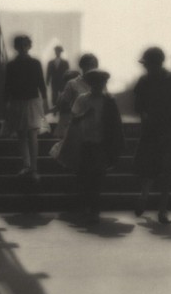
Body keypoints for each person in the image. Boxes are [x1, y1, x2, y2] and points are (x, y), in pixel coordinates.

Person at [53, 69, 124, 222]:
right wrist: (85, 114)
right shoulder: (83, 99)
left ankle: (93, 208)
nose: (100, 86)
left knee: (97, 177)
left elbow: (115, 125)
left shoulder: (109, 101)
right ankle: (87, 206)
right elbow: (74, 119)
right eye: (97, 84)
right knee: (85, 176)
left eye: (102, 83)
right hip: (85, 142)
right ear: (90, 84)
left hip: (100, 143)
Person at [133, 47, 171, 224]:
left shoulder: (148, 81)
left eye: (147, 64)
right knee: (156, 171)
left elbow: (139, 108)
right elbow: (140, 107)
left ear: (155, 63)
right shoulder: (170, 80)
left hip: (162, 131)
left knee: (160, 171)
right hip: (159, 131)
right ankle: (150, 202)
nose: (146, 67)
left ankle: (157, 207)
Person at [2, 35, 48, 182]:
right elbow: (7, 86)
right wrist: (5, 104)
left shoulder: (35, 63)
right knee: (22, 135)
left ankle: (34, 168)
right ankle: (27, 165)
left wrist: (45, 102)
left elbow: (41, 83)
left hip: (31, 102)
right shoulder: (11, 65)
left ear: (29, 46)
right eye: (20, 45)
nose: (22, 48)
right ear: (16, 47)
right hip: (17, 102)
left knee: (32, 135)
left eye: (25, 45)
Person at [51, 53, 99, 138]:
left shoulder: (100, 84)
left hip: (95, 125)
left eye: (93, 66)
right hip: (77, 126)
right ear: (82, 66)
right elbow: (63, 104)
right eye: (87, 66)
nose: (90, 69)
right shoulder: (72, 84)